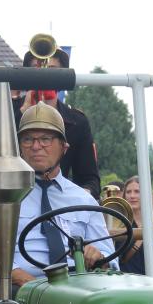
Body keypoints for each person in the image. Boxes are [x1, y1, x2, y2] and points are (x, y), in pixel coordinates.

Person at [0, 103, 112, 292]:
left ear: (64, 147)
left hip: (79, 286)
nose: (36, 146)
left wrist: (98, 256)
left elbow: (109, 255)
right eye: (28, 139)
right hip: (19, 288)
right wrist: (29, 284)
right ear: (19, 147)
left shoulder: (84, 200)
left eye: (46, 139)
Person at [19, 43, 101, 198]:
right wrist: (20, 117)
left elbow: (90, 179)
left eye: (52, 71)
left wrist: (77, 198)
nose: (44, 76)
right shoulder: (10, 112)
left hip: (62, 202)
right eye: (37, 69)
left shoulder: (77, 121)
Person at [119, 175, 153, 275]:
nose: (132, 196)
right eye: (128, 192)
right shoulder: (118, 227)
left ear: (146, 194)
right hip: (126, 286)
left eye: (137, 191)